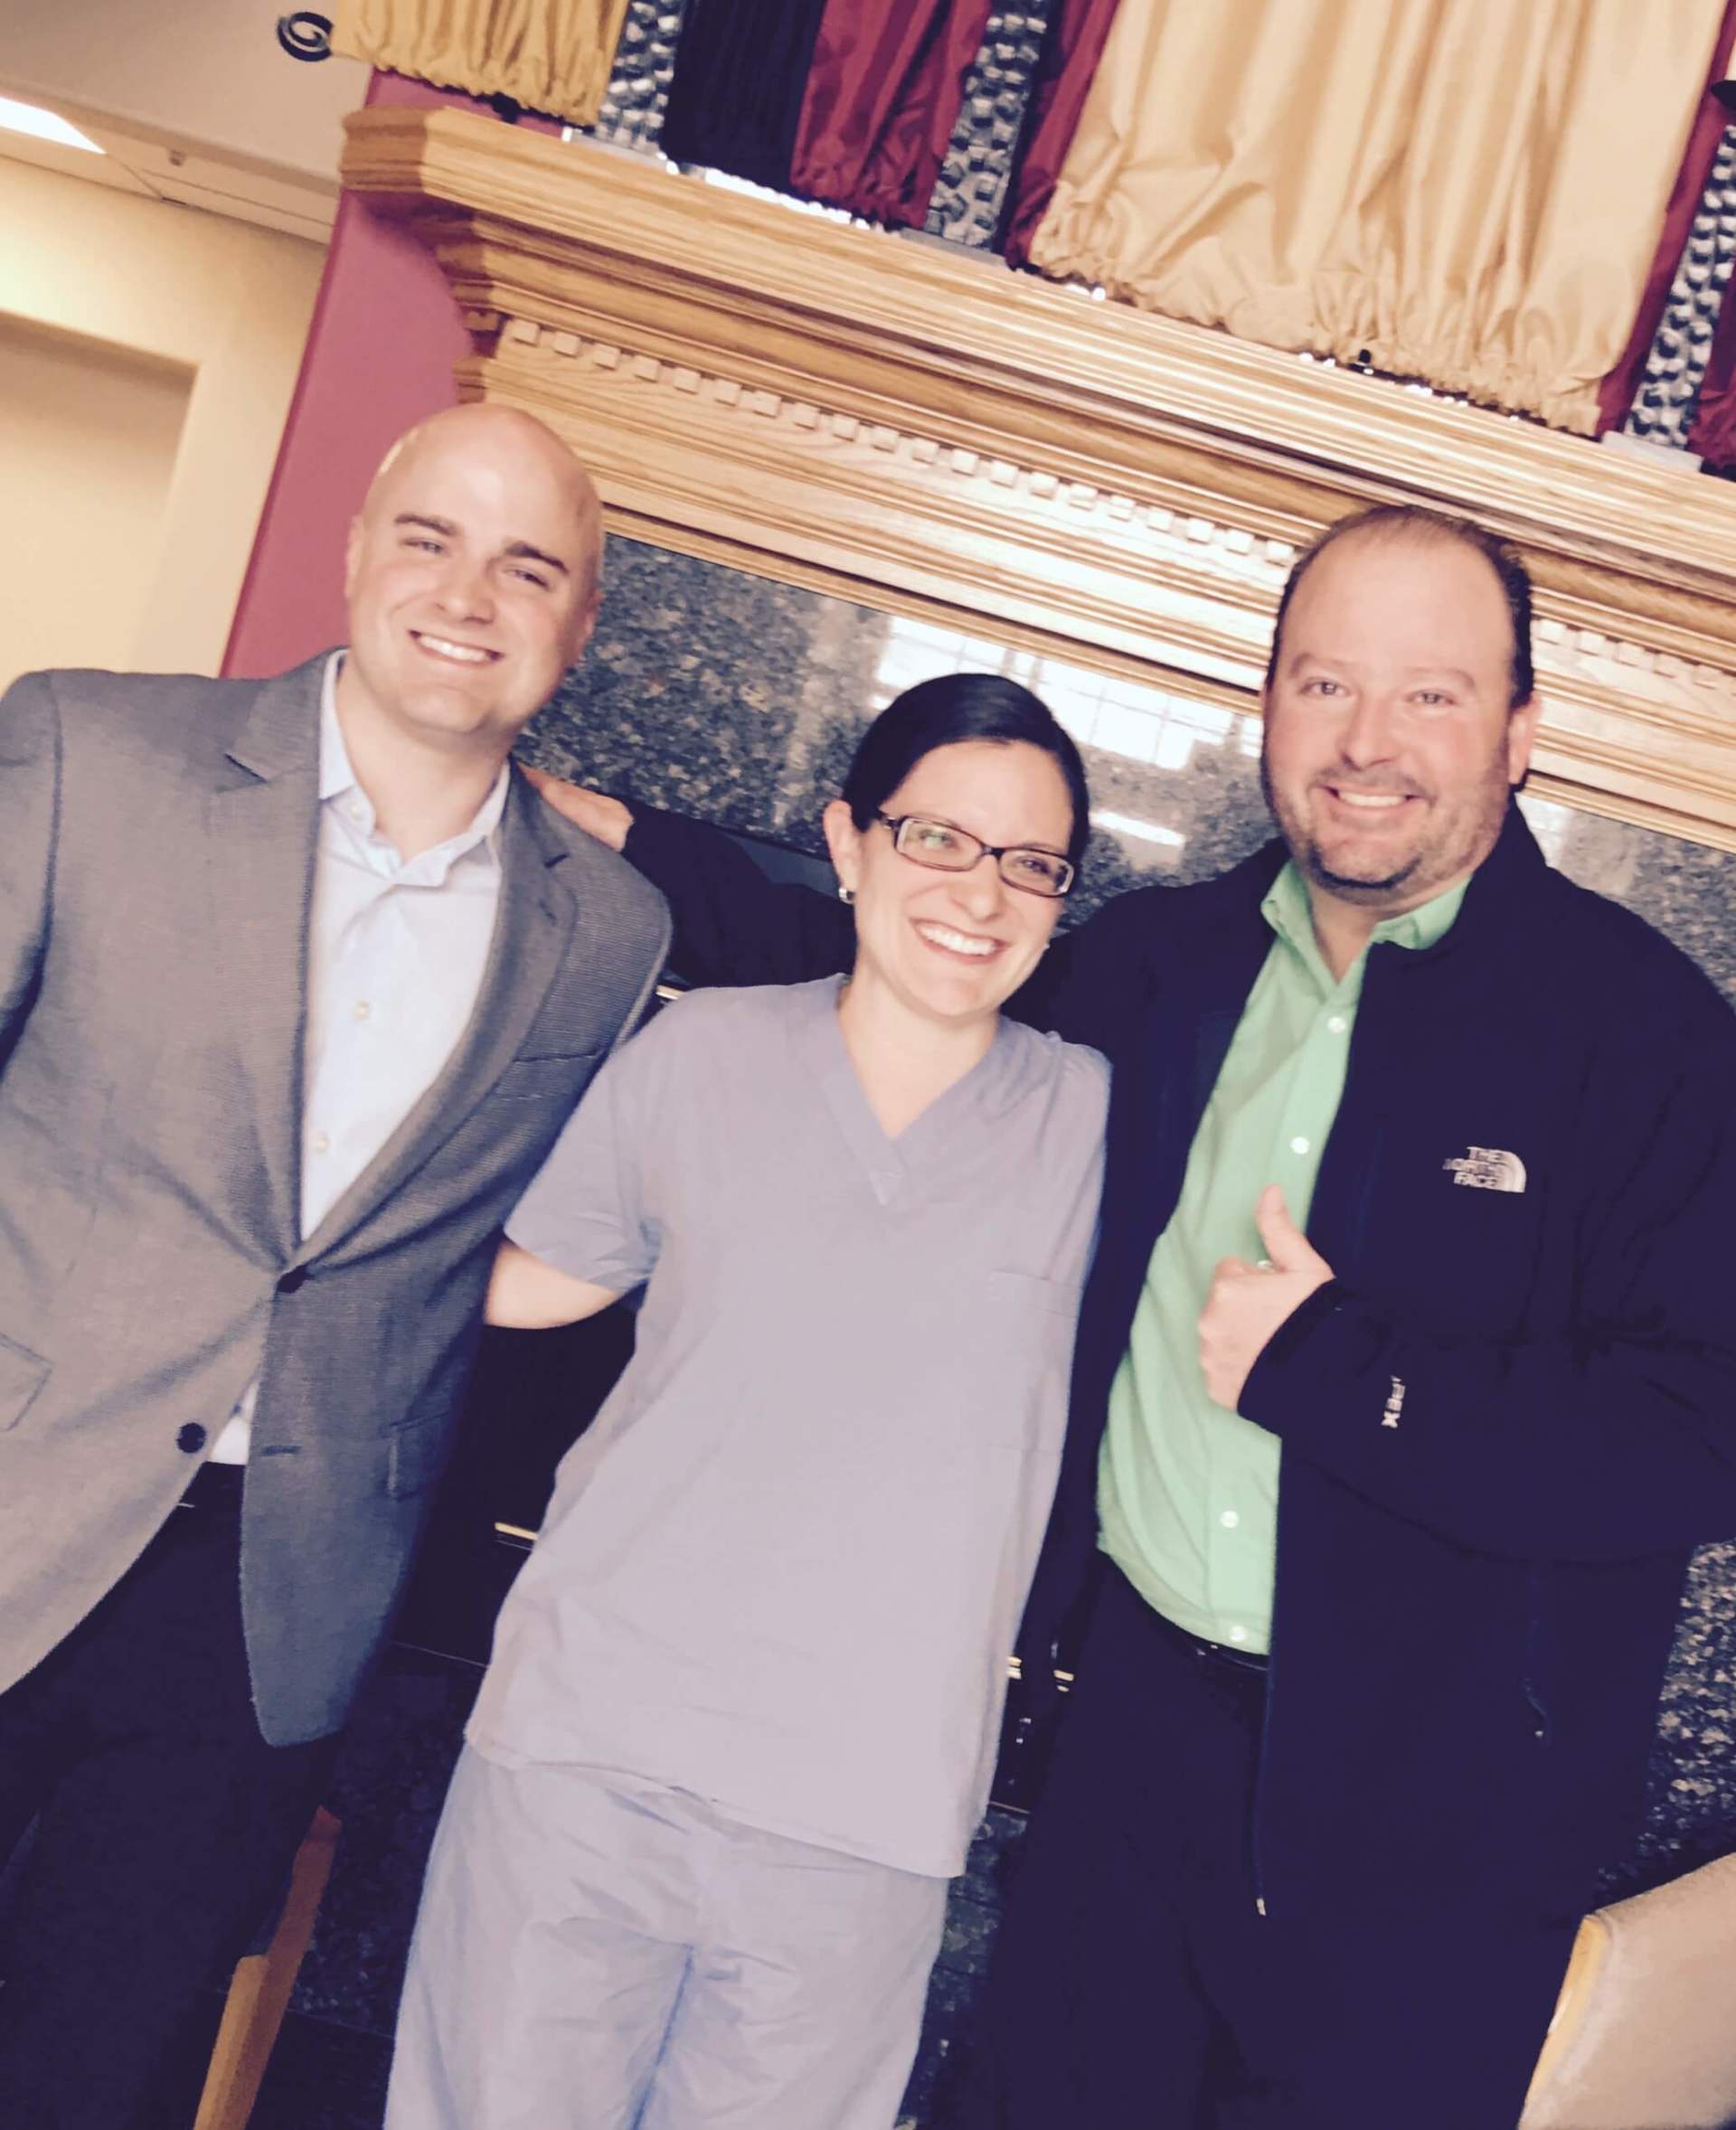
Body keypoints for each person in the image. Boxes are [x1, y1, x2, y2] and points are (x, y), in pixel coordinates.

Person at [535, 506, 1736, 2129]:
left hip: (1440, 1829)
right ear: (1267, 711)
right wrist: (618, 834)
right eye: (1324, 686)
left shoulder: (1647, 1036)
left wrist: (1348, 1381)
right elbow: (915, 965)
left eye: (1431, 696)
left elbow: (1697, 1435)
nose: (1367, 744)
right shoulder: (1167, 965)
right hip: (1131, 1743)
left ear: (1523, 733)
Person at [0, 403, 670, 2128]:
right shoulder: (87, 752)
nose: (472, 593)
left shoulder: (607, 932)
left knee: (96, 2077)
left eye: (532, 565)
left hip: (268, 1603)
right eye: (433, 537)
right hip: (16, 1493)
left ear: (580, 625)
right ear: (359, 551)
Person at [384, 675, 1109, 2130]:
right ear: (847, 845)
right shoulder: (700, 1055)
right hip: (585, 1754)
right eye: (938, 840)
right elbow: (528, 1280)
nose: (983, 893)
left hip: (865, 1819)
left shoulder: (1101, 1120)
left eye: (1031, 862)